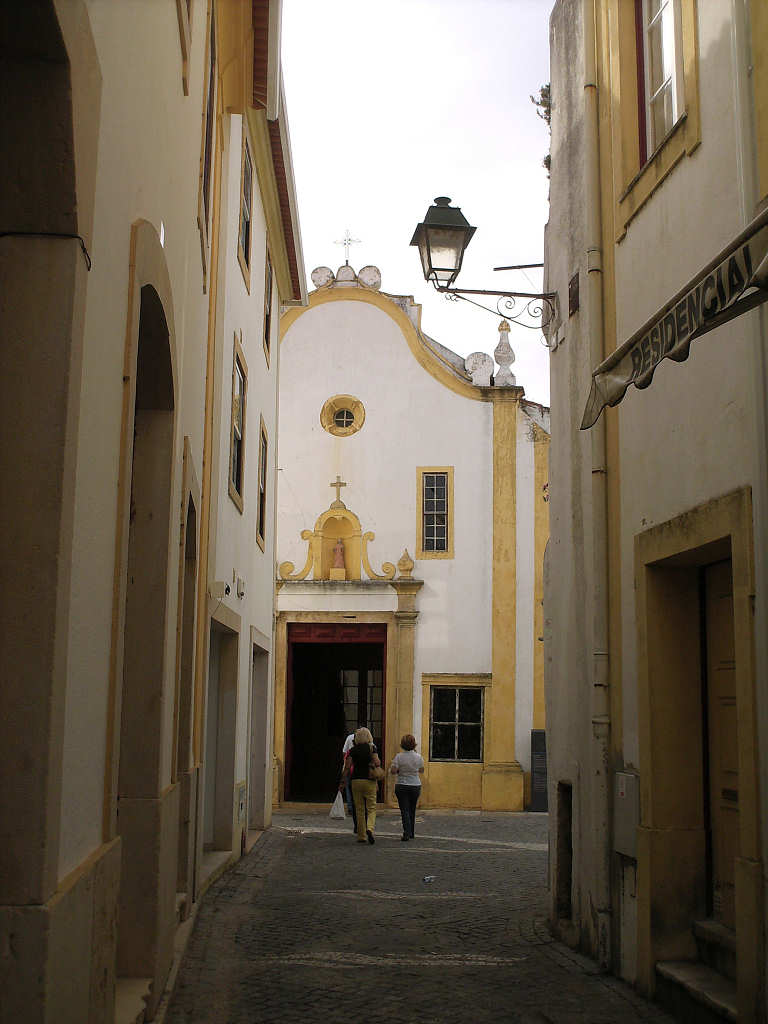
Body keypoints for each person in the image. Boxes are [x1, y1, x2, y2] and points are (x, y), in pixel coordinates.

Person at [342, 726, 380, 844]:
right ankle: (370, 828)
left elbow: (347, 767)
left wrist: (343, 781)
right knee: (371, 807)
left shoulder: (352, 750)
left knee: (359, 809)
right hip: (369, 780)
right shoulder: (372, 748)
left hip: (356, 780)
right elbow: (377, 762)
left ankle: (361, 835)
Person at [390, 733, 424, 841]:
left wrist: (400, 770)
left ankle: (406, 832)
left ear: (402, 744)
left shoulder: (399, 757)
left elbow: (393, 771)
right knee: (412, 809)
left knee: (404, 810)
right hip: (415, 784)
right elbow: (421, 770)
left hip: (402, 784)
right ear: (414, 744)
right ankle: (411, 832)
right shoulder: (418, 757)